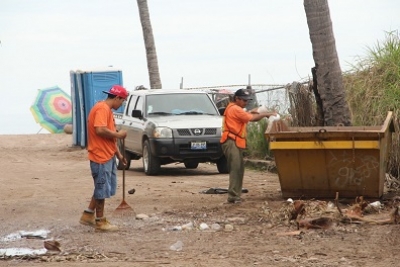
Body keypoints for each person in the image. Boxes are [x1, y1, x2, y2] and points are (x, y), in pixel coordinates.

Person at [79, 85, 129, 231]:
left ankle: (88, 215)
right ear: (117, 98)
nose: (122, 104)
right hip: (100, 156)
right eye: (122, 101)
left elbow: (109, 138)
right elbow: (100, 130)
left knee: (103, 187)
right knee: (101, 189)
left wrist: (119, 155)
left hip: (108, 155)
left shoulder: (107, 111)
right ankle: (100, 221)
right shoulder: (102, 109)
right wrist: (119, 135)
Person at [220, 88, 276, 204]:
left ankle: (236, 194)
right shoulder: (235, 109)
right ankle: (233, 196)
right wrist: (267, 114)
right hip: (231, 141)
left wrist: (260, 111)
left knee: (239, 168)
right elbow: (252, 117)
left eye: (247, 100)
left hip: (234, 141)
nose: (246, 102)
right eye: (244, 100)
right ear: (237, 99)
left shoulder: (236, 108)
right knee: (236, 168)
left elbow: (250, 113)